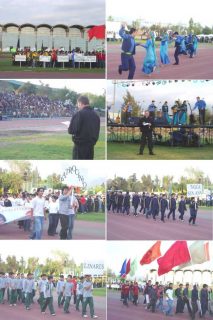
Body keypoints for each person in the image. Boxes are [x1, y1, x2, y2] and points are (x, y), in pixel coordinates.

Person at [68, 95, 100, 160]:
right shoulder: (96, 115)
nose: (77, 105)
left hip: (80, 147)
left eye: (77, 104)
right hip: (90, 147)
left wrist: (69, 126)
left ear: (80, 103)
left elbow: (71, 130)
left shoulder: (79, 114)